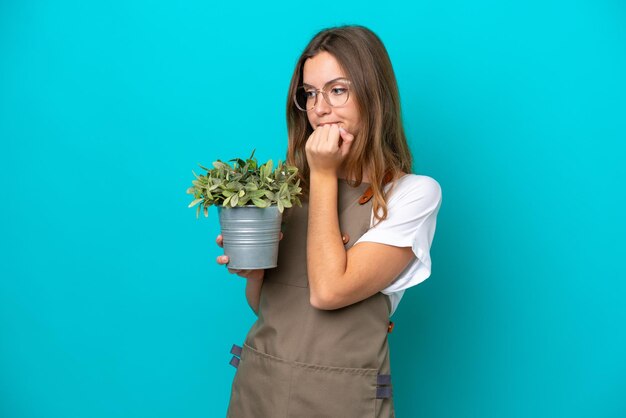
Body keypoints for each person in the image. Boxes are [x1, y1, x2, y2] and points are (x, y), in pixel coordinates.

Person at [216, 25, 442, 418]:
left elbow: (328, 293)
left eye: (338, 90)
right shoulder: (286, 188)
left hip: (341, 400)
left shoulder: (412, 195)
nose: (320, 109)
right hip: (259, 389)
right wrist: (253, 272)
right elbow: (269, 308)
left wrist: (322, 175)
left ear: (374, 97)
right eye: (310, 94)